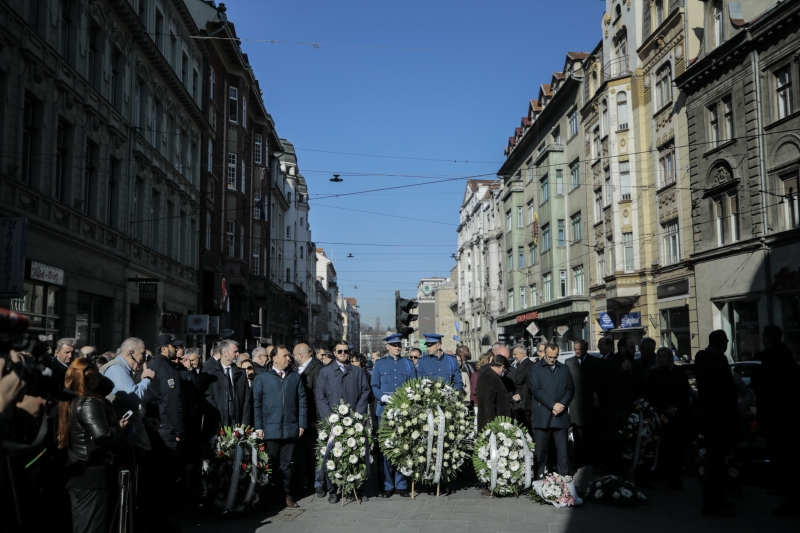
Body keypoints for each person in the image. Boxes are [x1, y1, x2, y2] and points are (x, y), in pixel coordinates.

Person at [57, 357, 128, 533]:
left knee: (82, 524)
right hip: (92, 474)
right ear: (86, 379)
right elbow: (102, 435)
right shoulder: (88, 402)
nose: (99, 379)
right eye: (96, 376)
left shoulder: (69, 400)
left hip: (78, 472)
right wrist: (119, 428)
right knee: (93, 526)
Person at [751, 325, 800, 515]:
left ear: (767, 338)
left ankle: (790, 498)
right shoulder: (788, 358)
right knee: (788, 456)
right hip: (788, 414)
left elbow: (763, 387)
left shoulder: (768, 360)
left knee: (782, 456)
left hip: (775, 415)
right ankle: (787, 492)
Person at [315, 340, 371, 503]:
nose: (343, 354)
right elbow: (320, 396)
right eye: (340, 351)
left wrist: (357, 413)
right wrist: (329, 418)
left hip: (353, 420)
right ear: (334, 353)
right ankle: (333, 489)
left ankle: (354, 487)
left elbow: (365, 391)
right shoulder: (325, 372)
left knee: (354, 453)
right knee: (331, 455)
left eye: (346, 351)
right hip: (332, 422)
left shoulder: (357, 372)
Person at [253, 345, 307, 509]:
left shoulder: (294, 377)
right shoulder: (262, 378)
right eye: (285, 356)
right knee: (270, 464)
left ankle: (285, 495)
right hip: (270, 430)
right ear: (274, 358)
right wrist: (258, 426)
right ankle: (268, 497)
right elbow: (256, 404)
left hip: (290, 428)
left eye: (289, 355)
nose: (288, 358)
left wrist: (302, 423)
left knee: (286, 465)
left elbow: (302, 401)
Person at [694, 330, 739, 516]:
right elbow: (725, 393)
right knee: (716, 463)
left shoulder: (703, 358)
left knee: (715, 463)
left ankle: (716, 499)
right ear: (723, 344)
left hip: (711, 419)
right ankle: (713, 502)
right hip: (719, 419)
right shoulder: (716, 361)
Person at [371, 333, 416, 498]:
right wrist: (383, 397)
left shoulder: (408, 364)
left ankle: (401, 483)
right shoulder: (380, 364)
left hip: (403, 412)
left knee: (403, 448)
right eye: (394, 345)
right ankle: (388, 484)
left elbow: (414, 386)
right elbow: (374, 385)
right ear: (387, 347)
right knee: (386, 449)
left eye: (399, 345)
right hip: (385, 411)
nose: (398, 348)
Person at [645, 347, 691, 490]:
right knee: (663, 447)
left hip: (677, 414)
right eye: (659, 356)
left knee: (677, 448)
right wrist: (665, 408)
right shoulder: (654, 373)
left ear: (670, 358)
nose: (661, 359)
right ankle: (662, 474)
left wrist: (676, 408)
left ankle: (675, 478)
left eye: (664, 356)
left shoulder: (679, 372)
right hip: (661, 414)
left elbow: (685, 392)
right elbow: (652, 394)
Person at [528, 342, 574, 477]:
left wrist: (561, 406)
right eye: (549, 356)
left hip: (560, 414)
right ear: (544, 353)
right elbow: (536, 390)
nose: (552, 359)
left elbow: (570, 389)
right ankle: (538, 476)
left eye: (555, 356)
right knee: (541, 450)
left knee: (562, 450)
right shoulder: (535, 368)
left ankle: (564, 478)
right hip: (543, 414)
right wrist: (553, 405)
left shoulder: (564, 369)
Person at [599, 337, 637, 474]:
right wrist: (622, 370)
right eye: (631, 348)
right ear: (622, 348)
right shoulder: (610, 362)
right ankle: (613, 470)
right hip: (614, 410)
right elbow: (607, 384)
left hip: (632, 409)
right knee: (613, 442)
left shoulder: (634, 362)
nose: (634, 350)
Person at [292, 343, 324, 496]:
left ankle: (316, 483)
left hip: (311, 419)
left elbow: (318, 395)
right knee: (302, 453)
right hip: (300, 419)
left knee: (313, 454)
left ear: (300, 355)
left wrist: (317, 418)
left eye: (293, 355)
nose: (291, 358)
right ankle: (306, 481)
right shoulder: (296, 368)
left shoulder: (317, 368)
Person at [564, 339, 601, 468]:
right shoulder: (569, 362)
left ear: (586, 349)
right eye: (575, 349)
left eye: (580, 349)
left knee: (591, 434)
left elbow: (597, 382)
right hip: (575, 404)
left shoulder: (595, 362)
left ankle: (592, 460)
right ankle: (579, 460)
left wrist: (596, 398)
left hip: (590, 404)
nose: (577, 351)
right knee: (577, 433)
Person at [203, 340, 253, 434]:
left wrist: (244, 424)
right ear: (224, 353)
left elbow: (247, 400)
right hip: (218, 425)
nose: (238, 354)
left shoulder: (240, 373)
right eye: (235, 351)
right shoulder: (210, 373)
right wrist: (217, 424)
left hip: (237, 425)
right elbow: (208, 400)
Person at [476, 354, 513, 432]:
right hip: (494, 422)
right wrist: (492, 424)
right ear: (502, 367)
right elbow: (488, 403)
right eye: (504, 369)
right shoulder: (491, 378)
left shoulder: (486, 375)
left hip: (490, 421)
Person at [509, 344, 533, 434]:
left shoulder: (523, 365)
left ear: (522, 354)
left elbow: (517, 381)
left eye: (515, 354)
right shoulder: (529, 363)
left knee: (523, 428)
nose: (513, 356)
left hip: (523, 401)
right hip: (527, 400)